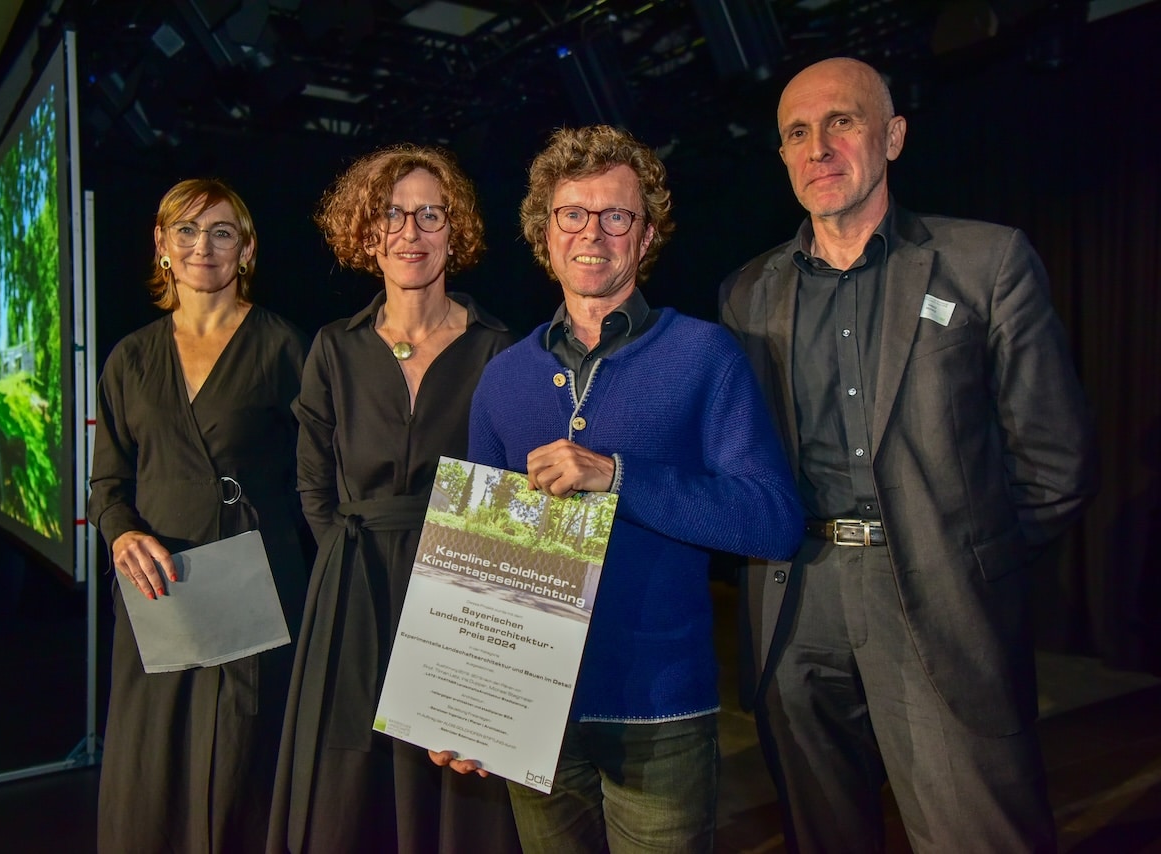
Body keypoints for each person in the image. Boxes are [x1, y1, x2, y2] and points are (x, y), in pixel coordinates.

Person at [719, 57, 1098, 852]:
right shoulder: (748, 291)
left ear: (891, 136)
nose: (818, 146)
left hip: (937, 595)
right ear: (782, 157)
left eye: (841, 122)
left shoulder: (987, 264)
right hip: (797, 602)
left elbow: (1055, 462)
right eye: (797, 132)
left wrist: (966, 554)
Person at [457, 124, 803, 853]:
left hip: (660, 713)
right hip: (532, 713)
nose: (593, 233)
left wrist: (619, 475)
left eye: (617, 215)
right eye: (572, 215)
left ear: (646, 237)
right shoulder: (503, 379)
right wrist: (465, 704)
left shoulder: (704, 355)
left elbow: (771, 521)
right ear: (543, 234)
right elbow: (474, 564)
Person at [266, 144, 522, 854]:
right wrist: (348, 565)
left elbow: (508, 495)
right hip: (353, 588)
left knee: (450, 777)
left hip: (459, 589)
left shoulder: (501, 349)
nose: (410, 230)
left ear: (455, 231)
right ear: (366, 234)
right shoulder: (334, 347)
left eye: (429, 214)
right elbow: (312, 484)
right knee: (351, 786)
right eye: (390, 213)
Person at [88, 178, 311, 852]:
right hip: (161, 592)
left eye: (221, 231)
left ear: (246, 249)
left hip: (253, 590)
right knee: (151, 768)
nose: (201, 246)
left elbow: (320, 475)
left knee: (242, 764)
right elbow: (106, 482)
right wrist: (122, 531)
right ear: (161, 245)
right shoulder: (130, 356)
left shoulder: (283, 347)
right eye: (184, 230)